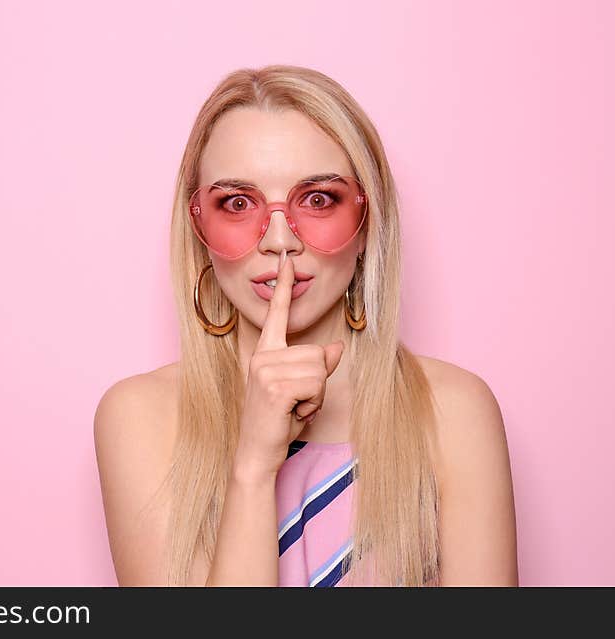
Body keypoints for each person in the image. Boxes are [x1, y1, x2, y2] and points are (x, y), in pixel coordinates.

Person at [94, 65, 518, 587]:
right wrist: (252, 468)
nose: (278, 240)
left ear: (368, 220)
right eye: (237, 203)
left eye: (318, 199)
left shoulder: (453, 410)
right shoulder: (141, 417)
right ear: (197, 225)